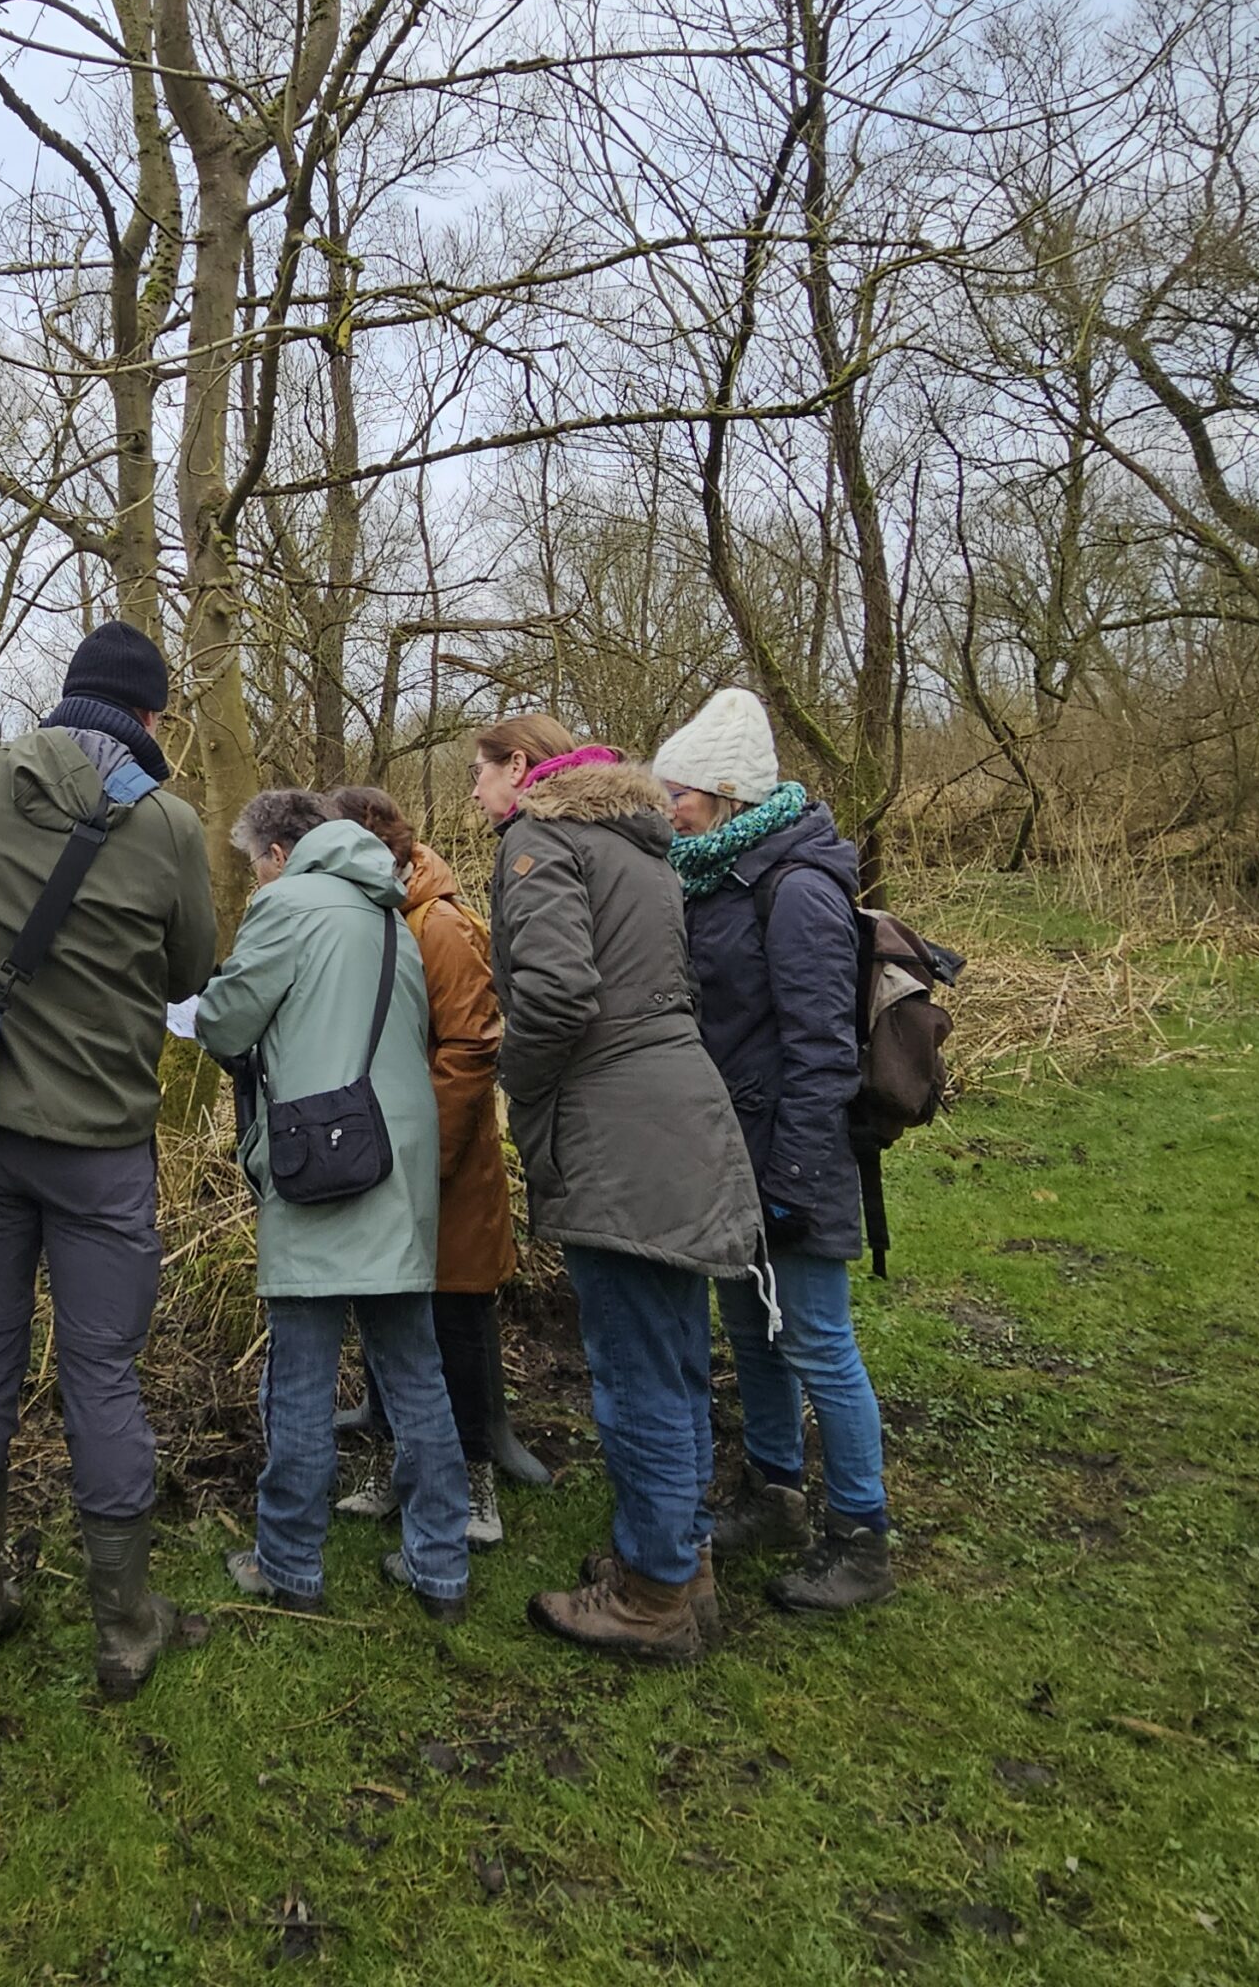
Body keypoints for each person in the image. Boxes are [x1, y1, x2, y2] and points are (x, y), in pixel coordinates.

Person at [0, 619, 217, 1699]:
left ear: (63, 699)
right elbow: (191, 964)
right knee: (102, 1375)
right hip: (99, 1146)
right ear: (146, 718)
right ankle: (125, 1629)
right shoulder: (169, 820)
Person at [474, 714, 764, 1664]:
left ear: (520, 769)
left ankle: (651, 1598)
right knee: (675, 1355)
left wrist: (514, 1081)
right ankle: (681, 1557)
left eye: (479, 775)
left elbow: (556, 995)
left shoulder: (541, 839)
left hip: (621, 1130)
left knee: (638, 1371)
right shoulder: (641, 848)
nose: (476, 797)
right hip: (679, 1113)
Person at [196, 791, 470, 1621]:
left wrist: (206, 1007)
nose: (254, 879)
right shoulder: (394, 913)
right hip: (400, 1152)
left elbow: (226, 1022)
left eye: (253, 865)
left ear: (279, 852)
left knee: (304, 1372)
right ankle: (441, 1566)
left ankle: (287, 1564)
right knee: (416, 1371)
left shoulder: (286, 904)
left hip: (325, 1153)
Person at [653, 686, 896, 1611]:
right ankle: (774, 1490)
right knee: (750, 1327)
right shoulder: (718, 876)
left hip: (795, 1157)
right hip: (735, 1153)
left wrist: (793, 1177)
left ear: (724, 795)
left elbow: (823, 1049)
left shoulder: (797, 889)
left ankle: (861, 1537)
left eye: (678, 788)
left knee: (819, 1342)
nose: (666, 802)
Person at [324, 784, 548, 1550]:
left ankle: (477, 1483)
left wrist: (427, 1155)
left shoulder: (439, 924)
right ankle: (393, 1465)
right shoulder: (369, 913)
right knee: (387, 1315)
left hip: (440, 1168)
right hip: (379, 1156)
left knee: (454, 1321)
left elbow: (471, 1046)